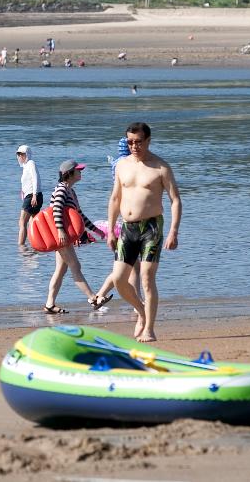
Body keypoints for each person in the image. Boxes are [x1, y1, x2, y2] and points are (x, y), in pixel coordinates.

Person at [96, 121, 183, 342]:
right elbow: (115, 198)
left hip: (151, 227)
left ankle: (149, 329)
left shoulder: (160, 167)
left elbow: (175, 200)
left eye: (139, 142)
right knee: (118, 279)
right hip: (127, 227)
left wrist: (174, 231)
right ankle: (141, 311)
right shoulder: (122, 166)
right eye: (130, 142)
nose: (134, 146)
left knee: (146, 277)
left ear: (148, 141)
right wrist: (110, 230)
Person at [43, 160, 104, 314]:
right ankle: (93, 299)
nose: (80, 172)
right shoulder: (61, 190)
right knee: (75, 267)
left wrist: (96, 230)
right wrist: (61, 231)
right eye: (78, 170)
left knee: (61, 270)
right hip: (61, 236)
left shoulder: (71, 191)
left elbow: (79, 215)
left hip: (65, 236)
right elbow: (56, 210)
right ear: (69, 174)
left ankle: (49, 304)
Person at [16, 145, 42, 247]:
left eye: (22, 154)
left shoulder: (31, 163)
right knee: (32, 222)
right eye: (18, 154)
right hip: (32, 195)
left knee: (22, 222)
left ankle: (21, 246)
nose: (20, 156)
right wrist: (22, 191)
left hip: (33, 196)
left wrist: (34, 195)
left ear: (27, 154)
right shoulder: (26, 166)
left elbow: (35, 179)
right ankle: (35, 245)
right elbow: (28, 182)